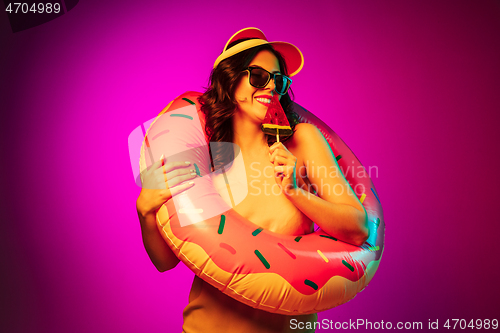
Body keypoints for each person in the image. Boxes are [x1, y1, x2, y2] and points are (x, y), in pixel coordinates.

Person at [136, 28, 369, 333]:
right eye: (259, 76)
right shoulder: (206, 152)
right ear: (231, 80)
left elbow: (357, 228)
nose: (271, 87)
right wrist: (145, 213)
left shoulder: (302, 141)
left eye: (280, 80)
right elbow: (166, 262)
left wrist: (296, 192)